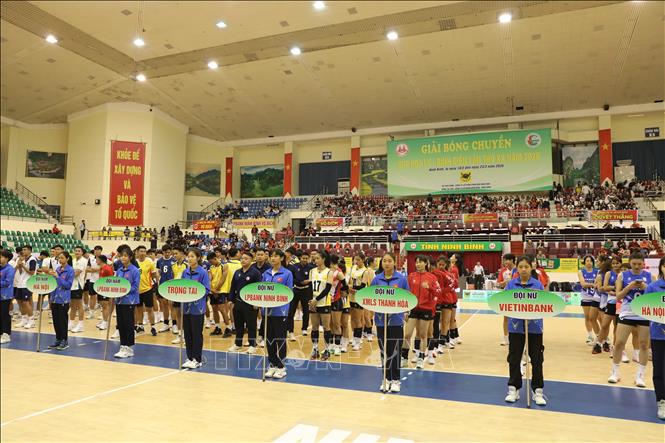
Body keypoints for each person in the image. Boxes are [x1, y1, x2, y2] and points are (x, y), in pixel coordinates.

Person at [504, 255, 547, 406]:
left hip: (535, 328)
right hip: (515, 327)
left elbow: (543, 304)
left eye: (526, 267)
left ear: (531, 268)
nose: (523, 269)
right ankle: (513, 388)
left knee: (537, 359)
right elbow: (505, 303)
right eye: (521, 267)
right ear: (517, 268)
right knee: (514, 358)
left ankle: (538, 391)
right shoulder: (511, 285)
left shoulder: (538, 285)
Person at [608, 251, 652, 387]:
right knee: (619, 343)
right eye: (634, 264)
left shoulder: (650, 276)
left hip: (644, 314)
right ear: (630, 263)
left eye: (639, 264)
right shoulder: (622, 275)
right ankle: (615, 372)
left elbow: (654, 296)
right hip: (627, 313)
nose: (637, 266)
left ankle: (640, 375)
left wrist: (646, 287)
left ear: (643, 264)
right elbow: (618, 297)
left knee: (644, 345)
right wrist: (629, 286)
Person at [372, 252, 409, 393]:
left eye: (389, 261)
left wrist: (406, 312)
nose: (386, 263)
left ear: (394, 262)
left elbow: (407, 297)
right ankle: (386, 379)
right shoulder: (376, 279)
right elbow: (371, 298)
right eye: (384, 261)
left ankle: (395, 380)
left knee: (395, 351)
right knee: (384, 351)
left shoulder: (401, 279)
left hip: (396, 321)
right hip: (381, 321)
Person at [403, 255, 441, 368]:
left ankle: (421, 358)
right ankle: (404, 358)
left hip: (426, 310)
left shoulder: (432, 277)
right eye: (416, 262)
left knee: (423, 335)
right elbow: (407, 293)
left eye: (420, 262)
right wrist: (405, 310)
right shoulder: (411, 276)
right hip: (413, 309)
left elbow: (438, 292)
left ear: (426, 263)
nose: (418, 264)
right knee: (407, 334)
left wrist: (430, 288)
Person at [261, 249, 293, 378]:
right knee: (269, 339)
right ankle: (273, 364)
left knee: (280, 339)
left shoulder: (287, 273)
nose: (273, 258)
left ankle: (282, 367)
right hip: (267, 312)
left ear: (281, 258)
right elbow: (262, 290)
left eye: (276, 256)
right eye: (271, 256)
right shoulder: (266, 273)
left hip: (280, 311)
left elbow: (289, 292)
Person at [180, 248, 211, 369]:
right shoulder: (185, 272)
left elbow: (206, 290)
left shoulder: (203, 272)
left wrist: (195, 294)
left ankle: (197, 359)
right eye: (188, 256)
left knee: (196, 334)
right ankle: (189, 357)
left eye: (192, 256)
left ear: (198, 258)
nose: (189, 258)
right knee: (187, 333)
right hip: (186, 307)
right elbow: (182, 287)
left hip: (197, 308)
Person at [643, 256, 665, 420]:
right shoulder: (652, 287)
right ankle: (661, 401)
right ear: (661, 267)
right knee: (659, 370)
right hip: (658, 336)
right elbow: (645, 310)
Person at [229, 250, 262, 353]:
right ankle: (238, 344)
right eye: (242, 258)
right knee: (238, 324)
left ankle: (252, 345)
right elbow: (233, 286)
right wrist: (231, 299)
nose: (243, 260)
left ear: (251, 260)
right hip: (238, 302)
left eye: (246, 258)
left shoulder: (255, 273)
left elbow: (258, 288)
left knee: (251, 325)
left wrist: (256, 302)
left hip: (250, 303)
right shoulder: (237, 272)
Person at [113, 245, 140, 359]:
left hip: (129, 301)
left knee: (128, 324)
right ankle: (123, 346)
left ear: (130, 257)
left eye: (125, 256)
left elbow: (135, 286)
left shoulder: (135, 270)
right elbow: (116, 283)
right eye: (121, 256)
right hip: (119, 301)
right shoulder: (119, 270)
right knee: (121, 324)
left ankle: (129, 348)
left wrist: (124, 291)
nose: (123, 258)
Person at [308, 251, 334, 360]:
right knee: (314, 327)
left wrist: (316, 299)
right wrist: (311, 301)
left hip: (324, 303)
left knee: (326, 327)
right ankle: (315, 349)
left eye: (318, 258)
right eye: (315, 258)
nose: (315, 260)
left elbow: (327, 289)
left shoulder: (329, 272)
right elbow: (310, 287)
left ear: (323, 259)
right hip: (313, 302)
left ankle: (327, 350)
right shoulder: (312, 271)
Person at [46, 251, 74, 350]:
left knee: (62, 321)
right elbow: (54, 284)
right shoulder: (57, 269)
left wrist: (58, 277)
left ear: (67, 259)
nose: (60, 260)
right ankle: (58, 339)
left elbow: (68, 285)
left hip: (63, 299)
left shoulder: (70, 270)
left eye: (62, 258)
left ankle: (64, 340)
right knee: (56, 320)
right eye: (59, 258)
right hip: (55, 298)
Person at [597, 256, 622, 354]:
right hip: (610, 302)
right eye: (613, 263)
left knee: (617, 326)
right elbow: (604, 287)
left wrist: (617, 291)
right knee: (604, 325)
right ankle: (598, 344)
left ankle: (615, 348)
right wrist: (614, 288)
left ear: (620, 263)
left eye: (617, 263)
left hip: (620, 303)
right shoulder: (608, 273)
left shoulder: (623, 274)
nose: (615, 265)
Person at [287, 250, 314, 340]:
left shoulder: (311, 268)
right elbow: (292, 278)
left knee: (306, 310)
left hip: (306, 290)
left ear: (308, 259)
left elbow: (312, 279)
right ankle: (290, 331)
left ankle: (304, 328)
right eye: (303, 258)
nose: (304, 260)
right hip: (296, 290)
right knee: (291, 311)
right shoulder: (294, 267)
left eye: (306, 258)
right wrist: (300, 282)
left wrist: (308, 282)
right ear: (300, 258)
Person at [349, 253, 371, 351]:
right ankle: (355, 337)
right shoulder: (353, 268)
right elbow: (350, 280)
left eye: (358, 260)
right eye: (355, 259)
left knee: (358, 320)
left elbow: (362, 285)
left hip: (359, 296)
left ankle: (358, 341)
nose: (356, 261)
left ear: (363, 260)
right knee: (353, 318)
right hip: (351, 296)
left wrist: (351, 287)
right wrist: (349, 287)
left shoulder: (365, 271)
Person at [135, 246, 157, 336]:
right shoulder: (134, 262)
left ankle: (153, 327)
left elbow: (154, 274)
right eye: (141, 251)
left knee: (149, 309)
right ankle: (140, 326)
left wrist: (155, 284)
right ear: (137, 252)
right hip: (137, 290)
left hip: (147, 289)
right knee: (139, 309)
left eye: (144, 251)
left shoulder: (149, 262)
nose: (143, 253)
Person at [219, 248, 242, 338]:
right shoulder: (242, 264)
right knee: (237, 309)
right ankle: (237, 327)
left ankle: (232, 326)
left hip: (227, 290)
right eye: (239, 252)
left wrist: (218, 288)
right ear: (237, 254)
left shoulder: (226, 265)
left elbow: (223, 278)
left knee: (229, 309)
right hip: (240, 290)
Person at [578, 255, 600, 346]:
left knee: (598, 318)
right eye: (587, 261)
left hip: (596, 297)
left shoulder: (597, 271)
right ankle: (590, 336)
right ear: (584, 262)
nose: (589, 262)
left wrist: (590, 284)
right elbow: (583, 284)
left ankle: (601, 336)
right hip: (586, 297)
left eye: (590, 261)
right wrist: (593, 284)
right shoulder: (581, 271)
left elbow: (598, 283)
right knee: (587, 317)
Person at [14, 245, 37, 329]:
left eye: (25, 249)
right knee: (20, 302)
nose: (23, 251)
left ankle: (31, 321)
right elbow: (20, 272)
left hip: (27, 283)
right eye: (22, 250)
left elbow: (31, 272)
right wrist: (19, 265)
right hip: (20, 283)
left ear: (30, 251)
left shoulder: (32, 260)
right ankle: (24, 320)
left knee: (26, 302)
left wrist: (23, 265)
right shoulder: (22, 259)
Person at [328, 255, 347, 356]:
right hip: (327, 301)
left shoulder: (338, 272)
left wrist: (342, 292)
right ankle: (331, 345)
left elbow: (345, 285)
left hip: (336, 300)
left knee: (336, 324)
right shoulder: (328, 271)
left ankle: (337, 346)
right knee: (330, 324)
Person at [497, 254, 516, 346]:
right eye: (504, 260)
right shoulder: (503, 271)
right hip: (507, 296)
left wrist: (510, 281)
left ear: (512, 260)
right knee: (506, 317)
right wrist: (504, 283)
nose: (505, 262)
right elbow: (499, 283)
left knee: (517, 318)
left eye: (506, 260)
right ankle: (506, 338)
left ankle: (516, 337)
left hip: (517, 296)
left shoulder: (518, 270)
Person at [69, 246, 87, 333]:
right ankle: (71, 323)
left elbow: (76, 273)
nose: (77, 252)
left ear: (82, 252)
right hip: (72, 285)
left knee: (79, 305)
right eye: (76, 251)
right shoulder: (73, 260)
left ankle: (81, 325)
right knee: (72, 305)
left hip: (78, 285)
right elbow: (72, 272)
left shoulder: (83, 261)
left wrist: (69, 272)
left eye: (79, 251)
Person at [95, 255, 115, 330]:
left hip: (106, 289)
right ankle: (104, 320)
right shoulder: (101, 268)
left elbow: (111, 279)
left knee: (105, 305)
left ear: (101, 260)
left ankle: (105, 322)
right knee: (103, 305)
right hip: (101, 289)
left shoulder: (107, 268)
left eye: (97, 259)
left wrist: (109, 291)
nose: (96, 261)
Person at [1, 250, 16, 344]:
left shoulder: (10, 269)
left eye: (1, 257)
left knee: (5, 314)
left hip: (5, 295)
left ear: (7, 258)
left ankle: (6, 334)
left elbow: (7, 282)